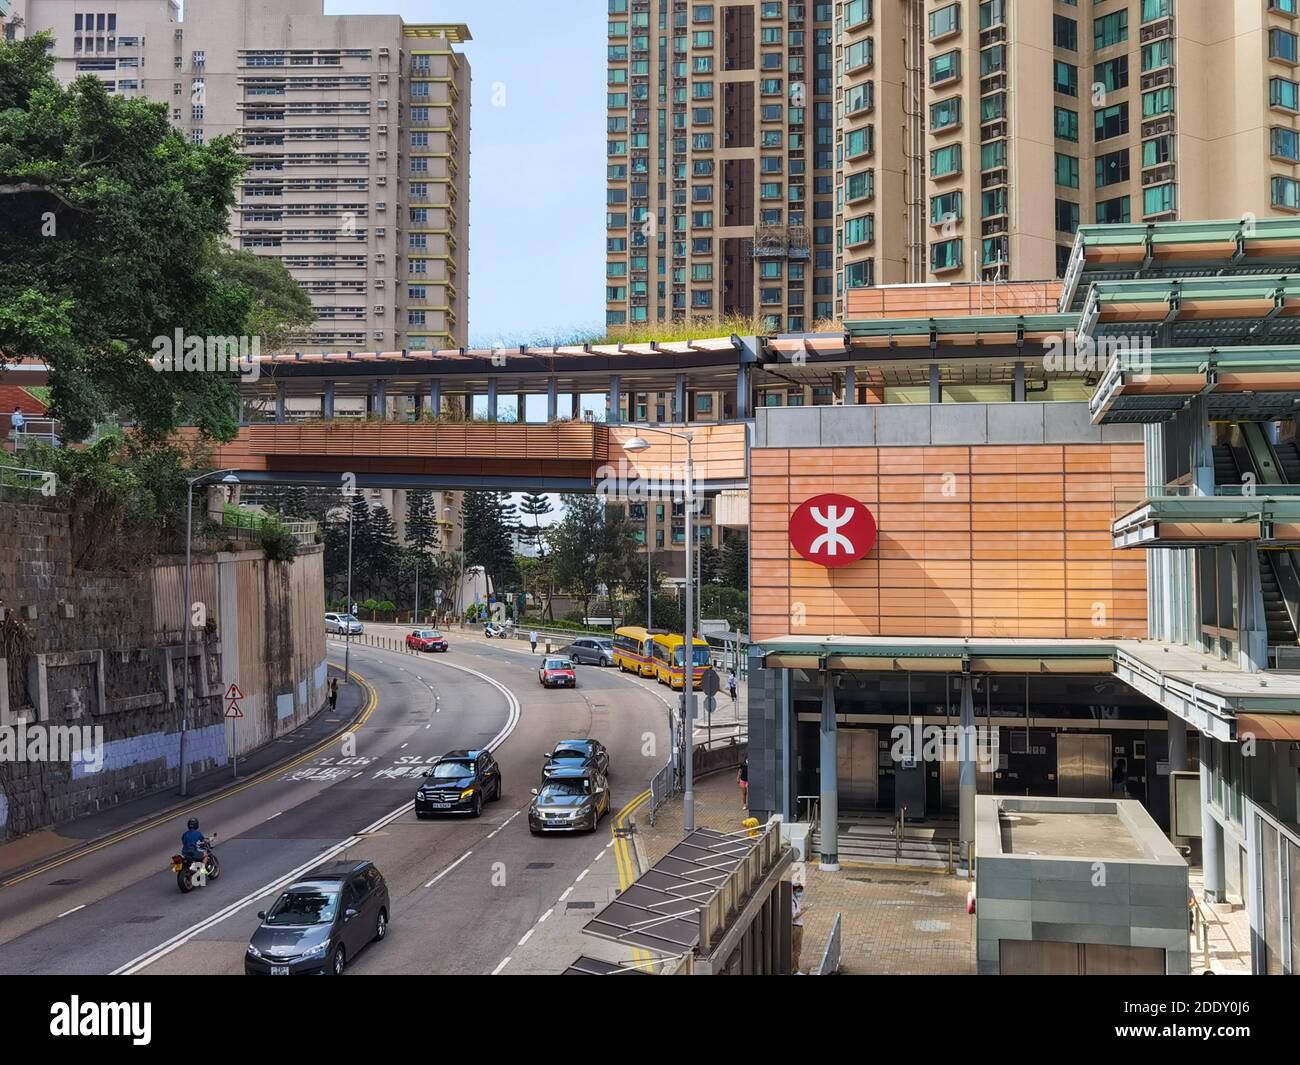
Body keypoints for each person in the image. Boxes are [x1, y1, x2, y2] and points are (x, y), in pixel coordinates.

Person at [791, 882, 809, 974]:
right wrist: (803, 911)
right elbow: (793, 916)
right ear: (793, 890)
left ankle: (794, 968)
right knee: (796, 950)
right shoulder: (792, 901)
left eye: (801, 891)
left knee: (796, 949)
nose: (800, 893)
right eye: (798, 891)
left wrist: (801, 910)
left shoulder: (796, 899)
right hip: (796, 927)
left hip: (798, 926)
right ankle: (795, 970)